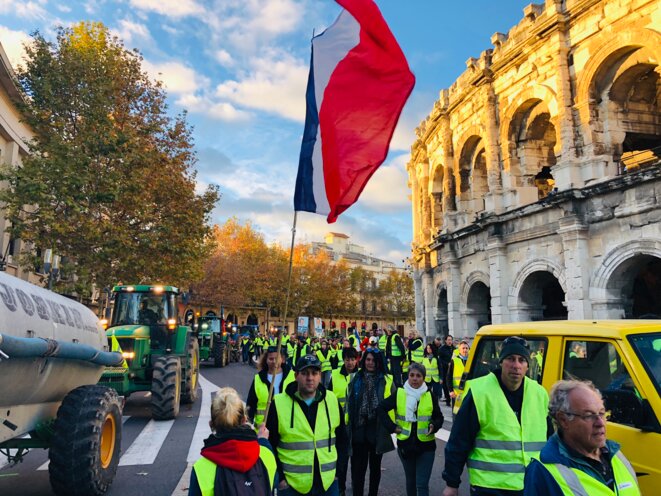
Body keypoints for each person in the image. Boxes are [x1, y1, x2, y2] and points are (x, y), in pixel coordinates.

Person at [442, 336, 552, 496]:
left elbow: (550, 439)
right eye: (510, 359)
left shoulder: (539, 394)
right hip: (489, 487)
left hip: (530, 485)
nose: (516, 365)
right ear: (501, 362)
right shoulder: (480, 392)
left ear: (528, 365)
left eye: (522, 360)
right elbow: (459, 440)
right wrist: (451, 483)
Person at [523, 380, 640, 495]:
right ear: (563, 420)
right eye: (589, 415)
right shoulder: (542, 472)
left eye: (602, 413)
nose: (600, 423)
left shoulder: (617, 455)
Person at [266, 354, 348, 496]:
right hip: (292, 486)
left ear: (320, 375)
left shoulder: (331, 400)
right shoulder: (279, 403)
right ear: (296, 375)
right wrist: (281, 479)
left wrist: (338, 473)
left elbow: (342, 441)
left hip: (327, 483)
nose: (310, 378)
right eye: (304, 373)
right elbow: (270, 445)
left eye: (314, 373)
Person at [189, 387, 276, 496]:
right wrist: (263, 441)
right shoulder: (267, 457)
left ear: (211, 425)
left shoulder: (201, 469)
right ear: (244, 420)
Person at [378, 362, 444, 496]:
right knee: (411, 482)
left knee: (421, 484)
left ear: (423, 378)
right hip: (405, 446)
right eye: (412, 375)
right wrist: (392, 427)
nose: (415, 378)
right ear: (407, 376)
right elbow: (380, 409)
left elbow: (439, 417)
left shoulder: (429, 394)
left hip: (426, 447)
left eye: (418, 376)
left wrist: (434, 425)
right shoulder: (400, 393)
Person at [345, 349, 395, 496]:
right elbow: (349, 403)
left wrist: (393, 426)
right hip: (358, 428)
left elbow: (396, 402)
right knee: (357, 470)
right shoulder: (355, 378)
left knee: (375, 468)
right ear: (363, 361)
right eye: (368, 359)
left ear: (378, 362)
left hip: (377, 429)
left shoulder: (387, 380)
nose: (370, 363)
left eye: (373, 360)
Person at [329, 347, 359, 496]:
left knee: (357, 461)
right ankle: (341, 489)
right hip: (339, 426)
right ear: (343, 359)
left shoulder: (361, 375)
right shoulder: (334, 376)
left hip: (357, 425)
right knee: (341, 461)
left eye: (353, 359)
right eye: (347, 359)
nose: (350, 362)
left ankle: (356, 487)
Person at [246, 346, 295, 431]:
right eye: (271, 359)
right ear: (266, 360)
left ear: (282, 359)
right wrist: (247, 426)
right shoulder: (258, 378)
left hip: (286, 429)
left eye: (276, 358)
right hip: (263, 429)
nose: (274, 361)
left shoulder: (293, 376)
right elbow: (250, 404)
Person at [447, 340, 469, 413]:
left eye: (466, 348)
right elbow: (449, 377)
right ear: (459, 350)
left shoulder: (471, 361)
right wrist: (451, 391)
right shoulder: (454, 361)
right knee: (457, 412)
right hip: (457, 393)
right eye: (463, 348)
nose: (465, 350)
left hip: (468, 392)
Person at [438, 335, 455, 406]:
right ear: (445, 341)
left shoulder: (454, 349)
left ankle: (453, 399)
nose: (450, 341)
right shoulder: (442, 349)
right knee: (445, 385)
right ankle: (448, 400)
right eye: (448, 340)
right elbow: (440, 360)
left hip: (453, 369)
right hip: (445, 369)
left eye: (451, 340)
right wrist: (446, 364)